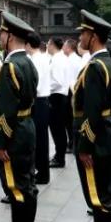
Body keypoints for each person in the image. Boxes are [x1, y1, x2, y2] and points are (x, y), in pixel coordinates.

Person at [0, 10, 40, 222]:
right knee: (26, 183)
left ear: (9, 36)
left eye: (2, 32)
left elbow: (5, 110)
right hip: (26, 127)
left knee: (18, 187)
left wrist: (0, 142)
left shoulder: (10, 66)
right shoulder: (28, 62)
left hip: (14, 133)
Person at [72, 10, 111, 222]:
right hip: (104, 136)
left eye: (83, 33)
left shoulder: (95, 67)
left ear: (92, 36)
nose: (80, 36)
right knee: (101, 194)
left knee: (100, 195)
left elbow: (91, 111)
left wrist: (84, 145)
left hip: (96, 140)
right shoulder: (106, 62)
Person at [28, 32, 52, 185]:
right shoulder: (43, 57)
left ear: (28, 44)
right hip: (43, 100)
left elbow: (33, 84)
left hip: (37, 100)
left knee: (38, 140)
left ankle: (41, 173)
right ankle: (43, 172)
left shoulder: (34, 61)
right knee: (42, 138)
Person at [47, 37, 71, 168]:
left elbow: (57, 81)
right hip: (60, 96)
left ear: (51, 45)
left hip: (56, 96)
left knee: (57, 129)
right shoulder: (61, 58)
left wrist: (45, 88)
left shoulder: (57, 60)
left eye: (48, 44)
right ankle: (59, 155)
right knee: (59, 129)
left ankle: (59, 157)